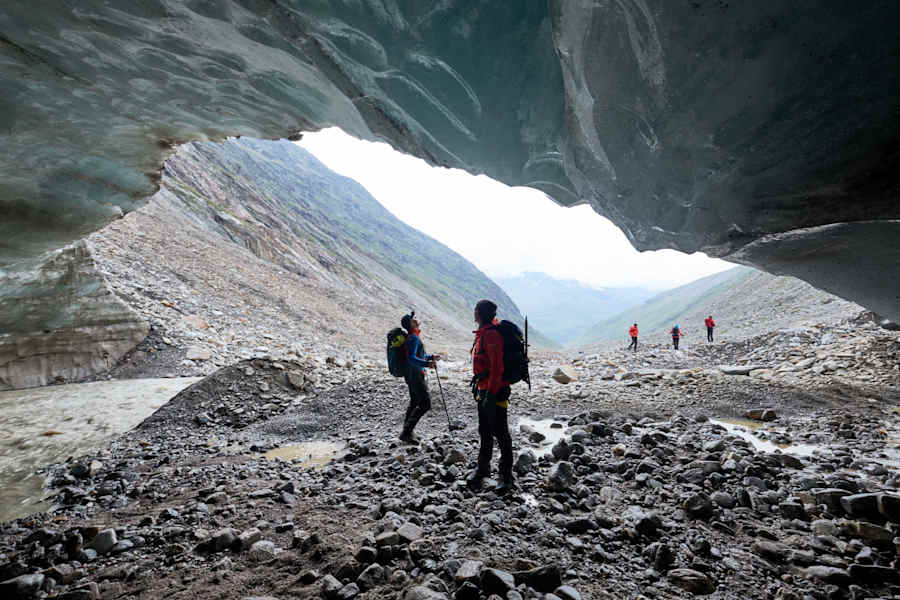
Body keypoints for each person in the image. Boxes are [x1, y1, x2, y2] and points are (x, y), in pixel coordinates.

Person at [468, 299, 513, 492]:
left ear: (480, 314)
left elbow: (497, 368)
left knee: (501, 433)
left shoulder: (492, 335)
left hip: (495, 391)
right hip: (483, 389)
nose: (474, 313)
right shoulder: (483, 333)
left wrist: (492, 395)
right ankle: (483, 468)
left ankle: (506, 476)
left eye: (475, 310)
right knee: (485, 430)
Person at [399, 311, 441, 443]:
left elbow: (416, 355)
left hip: (411, 375)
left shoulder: (412, 337)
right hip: (416, 375)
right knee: (425, 404)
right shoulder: (413, 338)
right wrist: (427, 364)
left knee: (415, 402)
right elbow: (411, 358)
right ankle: (406, 432)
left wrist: (431, 357)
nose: (416, 320)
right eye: (413, 319)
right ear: (411, 324)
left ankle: (407, 432)